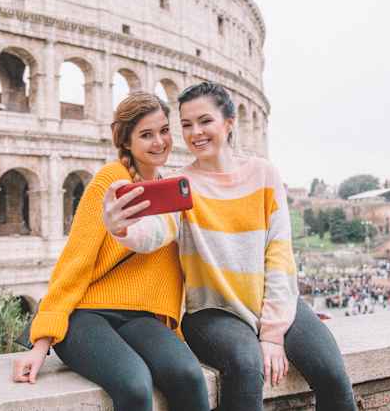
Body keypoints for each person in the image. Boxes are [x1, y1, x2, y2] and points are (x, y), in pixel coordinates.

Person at [103, 82, 357, 411]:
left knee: (333, 375)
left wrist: (272, 332)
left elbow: (279, 253)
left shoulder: (264, 174)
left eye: (205, 121)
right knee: (246, 365)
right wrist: (120, 226)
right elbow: (154, 232)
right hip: (213, 312)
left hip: (272, 300)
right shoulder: (182, 185)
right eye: (187, 125)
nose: (196, 133)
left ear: (229, 122)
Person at [12, 91, 210, 411]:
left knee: (189, 376)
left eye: (164, 130)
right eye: (146, 135)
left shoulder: (172, 189)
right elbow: (76, 259)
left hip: (142, 317)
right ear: (126, 142)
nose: (159, 141)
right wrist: (41, 344)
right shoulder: (111, 180)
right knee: (134, 384)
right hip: (86, 315)